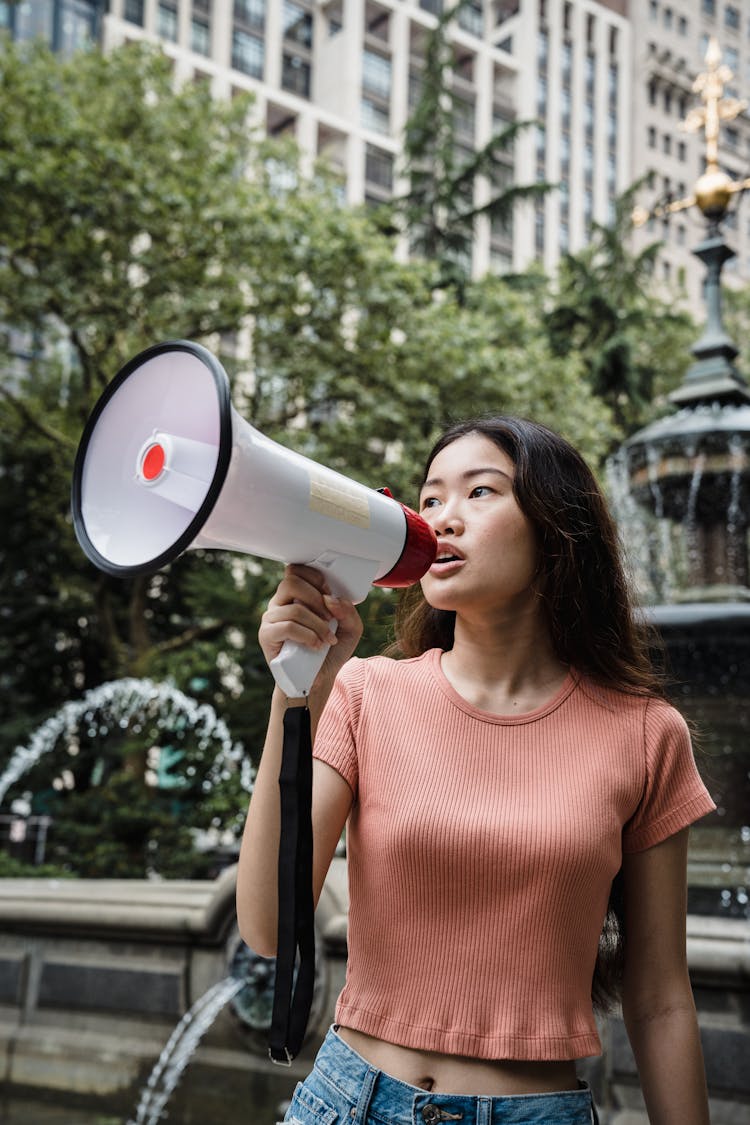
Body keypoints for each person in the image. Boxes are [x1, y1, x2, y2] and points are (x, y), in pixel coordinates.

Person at [237, 416, 715, 1125]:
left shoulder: (647, 735)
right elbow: (270, 929)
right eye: (429, 500)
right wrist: (295, 689)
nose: (441, 520)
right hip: (348, 1101)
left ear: (557, 529)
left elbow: (660, 996)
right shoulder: (368, 691)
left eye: (479, 492)